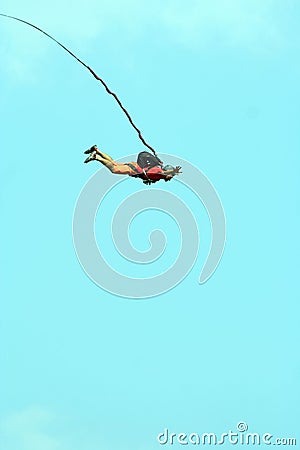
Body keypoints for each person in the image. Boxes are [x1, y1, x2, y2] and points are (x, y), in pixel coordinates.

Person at [83, 145, 182, 184]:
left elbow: (149, 177)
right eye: (171, 176)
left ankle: (97, 150)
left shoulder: (158, 175)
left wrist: (147, 181)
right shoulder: (160, 172)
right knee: (114, 169)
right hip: (135, 169)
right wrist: (173, 171)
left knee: (114, 163)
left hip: (135, 167)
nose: (170, 178)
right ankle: (96, 157)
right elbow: (165, 173)